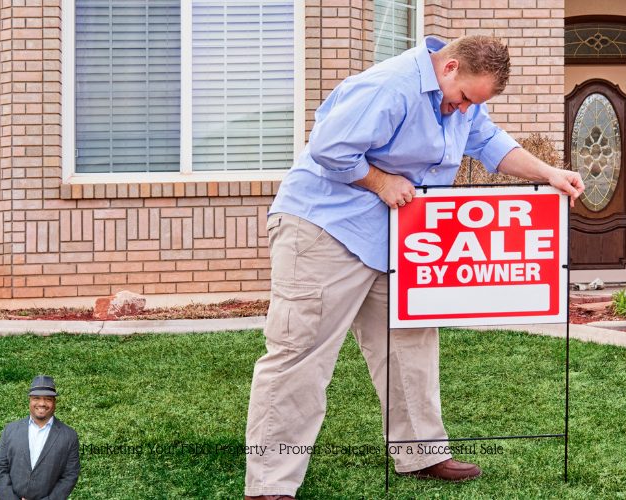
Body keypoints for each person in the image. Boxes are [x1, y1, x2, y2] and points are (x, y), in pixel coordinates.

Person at [244, 34, 584, 497]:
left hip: (391, 239)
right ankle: (269, 484)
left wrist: (548, 174)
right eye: (465, 98)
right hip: (324, 229)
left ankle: (421, 454)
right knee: (300, 353)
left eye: (475, 104)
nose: (465, 110)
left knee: (411, 342)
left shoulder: (464, 102)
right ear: (449, 69)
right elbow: (328, 148)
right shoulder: (390, 86)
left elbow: (490, 143)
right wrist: (380, 180)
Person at [0, 375, 80, 500]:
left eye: (48, 399)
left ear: (55, 402)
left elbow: (70, 475)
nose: (42, 403)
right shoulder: (10, 430)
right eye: (36, 398)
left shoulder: (69, 436)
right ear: (30, 400)